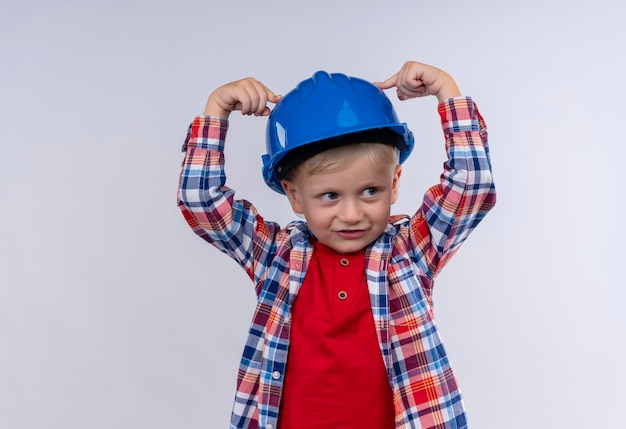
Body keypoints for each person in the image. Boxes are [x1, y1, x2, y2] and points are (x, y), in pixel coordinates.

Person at [177, 61, 496, 429]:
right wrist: (216, 112)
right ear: (295, 197)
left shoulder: (410, 252)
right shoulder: (276, 255)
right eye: (330, 195)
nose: (351, 214)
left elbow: (472, 189)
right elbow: (202, 202)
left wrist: (448, 92)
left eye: (370, 191)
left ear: (395, 184)